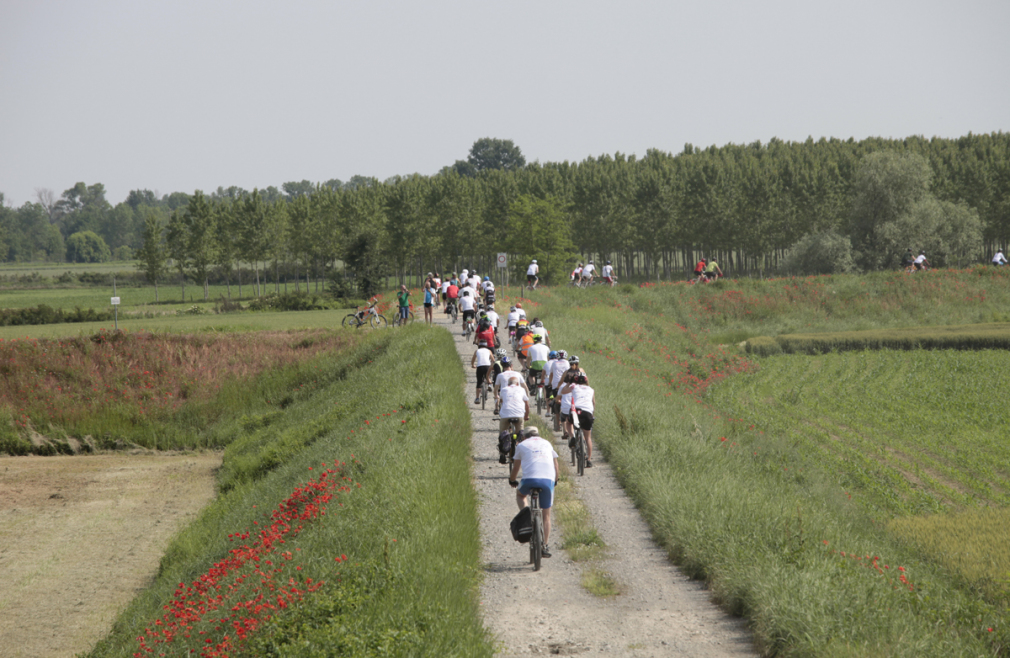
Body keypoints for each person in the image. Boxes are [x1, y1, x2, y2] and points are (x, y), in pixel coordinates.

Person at [509, 427, 559, 558]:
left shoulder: (521, 445)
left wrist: (512, 480)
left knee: (520, 495)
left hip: (529, 480)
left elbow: (516, 467)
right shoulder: (547, 443)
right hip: (547, 479)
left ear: (525, 436)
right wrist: (555, 480)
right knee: (546, 515)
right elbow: (556, 465)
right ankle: (545, 545)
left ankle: (526, 515)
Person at [560, 373, 596, 468]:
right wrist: (592, 414)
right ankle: (589, 460)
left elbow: (563, 391)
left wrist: (569, 383)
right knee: (588, 437)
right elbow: (593, 403)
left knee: (568, 423)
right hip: (587, 413)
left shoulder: (573, 386)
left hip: (576, 411)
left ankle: (572, 437)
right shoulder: (591, 390)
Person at [471, 340, 494, 405]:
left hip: (480, 367)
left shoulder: (477, 351)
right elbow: (493, 360)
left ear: (479, 345)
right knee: (488, 376)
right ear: (486, 345)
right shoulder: (489, 351)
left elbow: (473, 359)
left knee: (479, 381)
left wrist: (472, 365)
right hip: (487, 366)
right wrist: (492, 367)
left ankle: (477, 398)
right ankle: (489, 385)